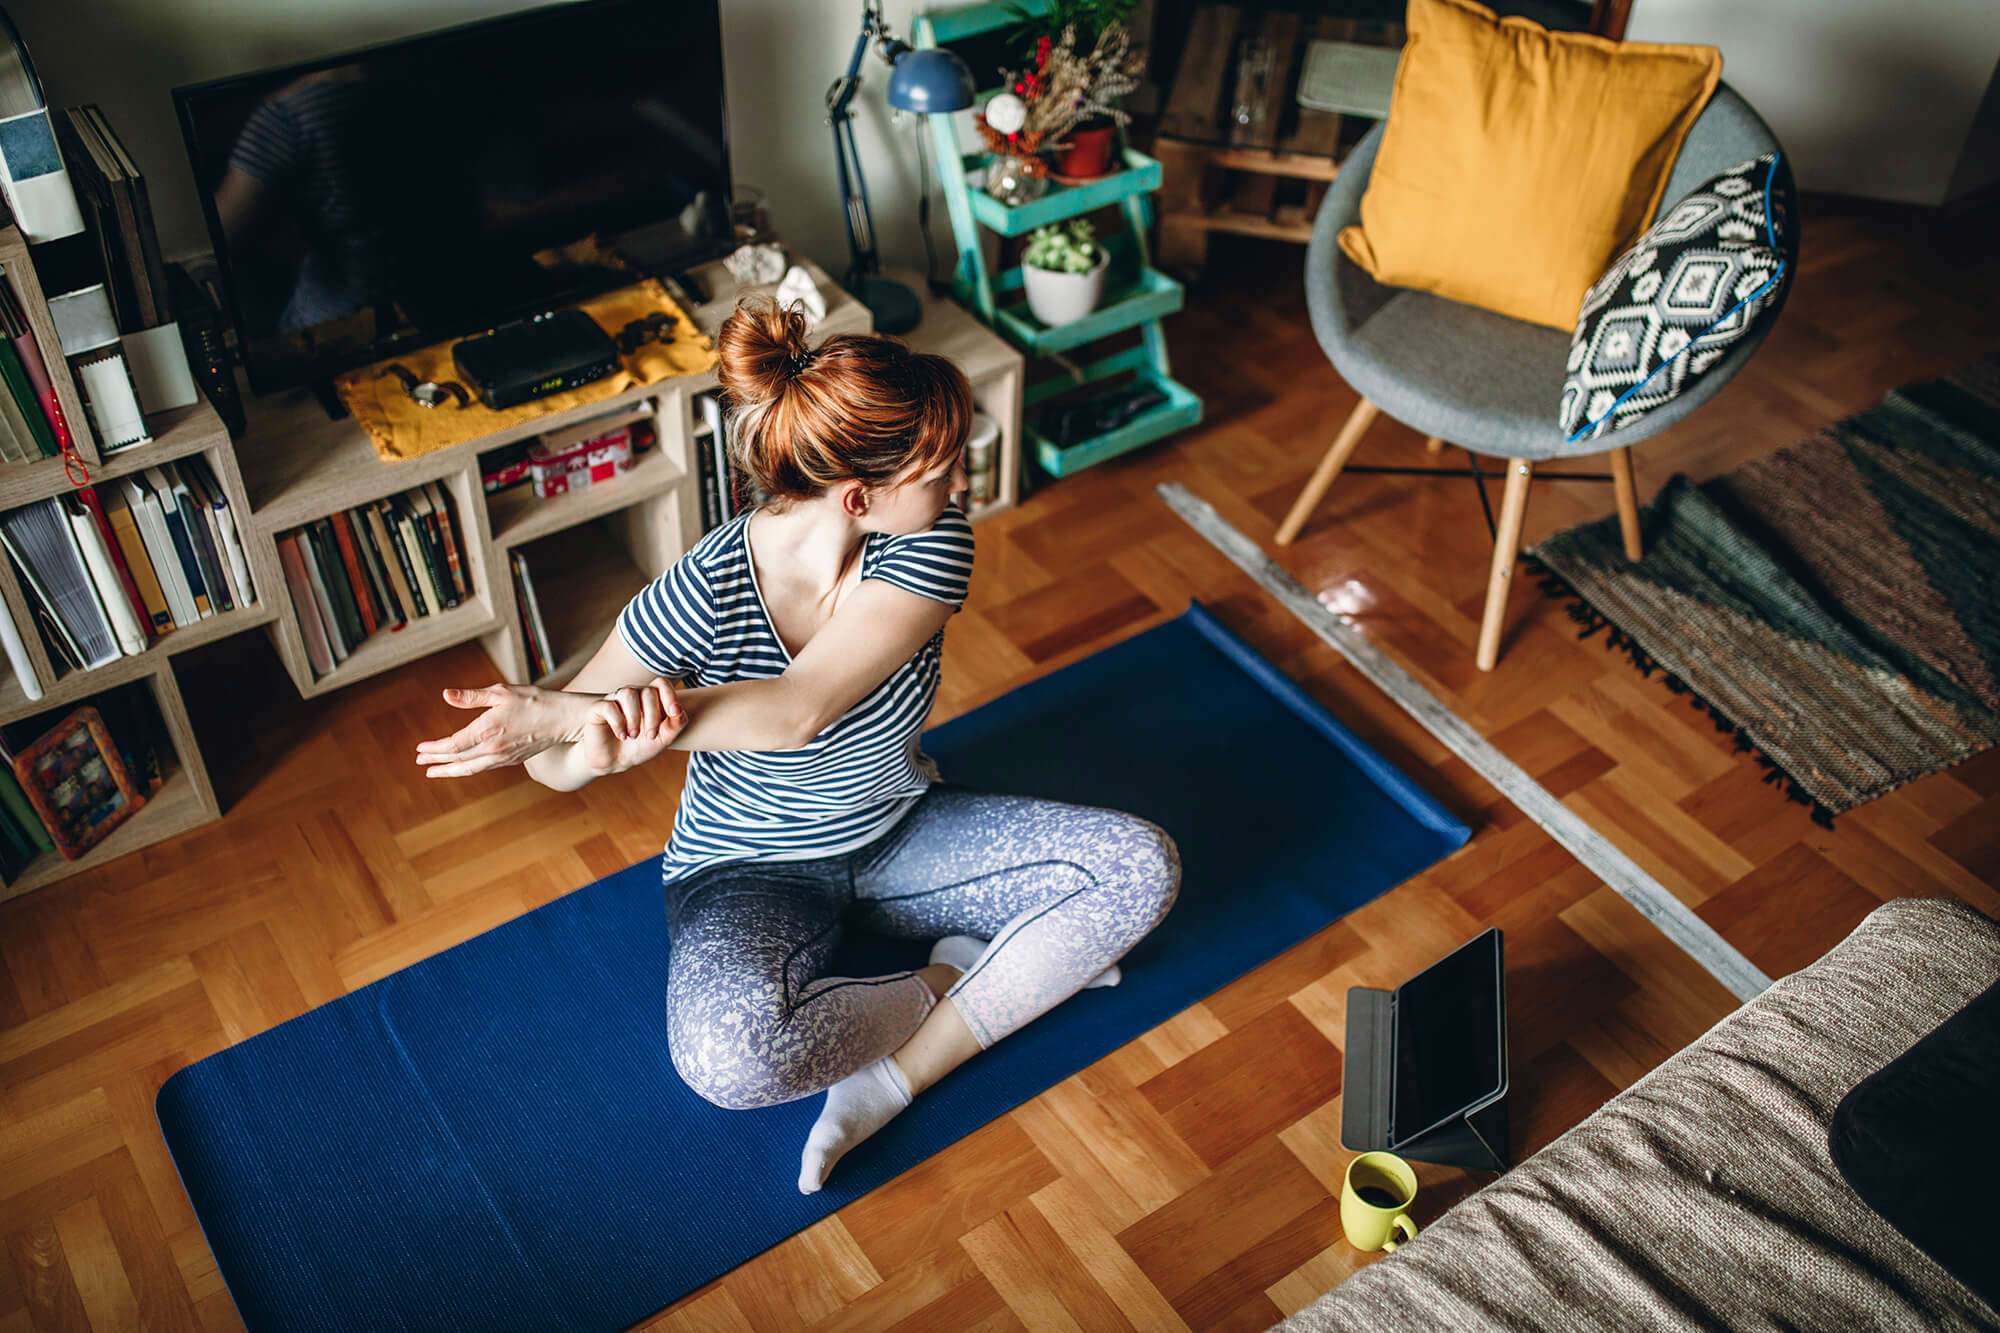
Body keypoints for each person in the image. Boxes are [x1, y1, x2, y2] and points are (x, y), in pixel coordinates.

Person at [416, 297, 1179, 1193]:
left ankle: (894, 1080)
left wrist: (575, 712)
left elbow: (798, 709)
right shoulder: (700, 593)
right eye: (941, 471)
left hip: (896, 832)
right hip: (747, 868)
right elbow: (553, 768)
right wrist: (593, 743)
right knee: (731, 1062)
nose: (960, 486)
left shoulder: (927, 544)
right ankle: (951, 974)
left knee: (1141, 867)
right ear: (859, 497)